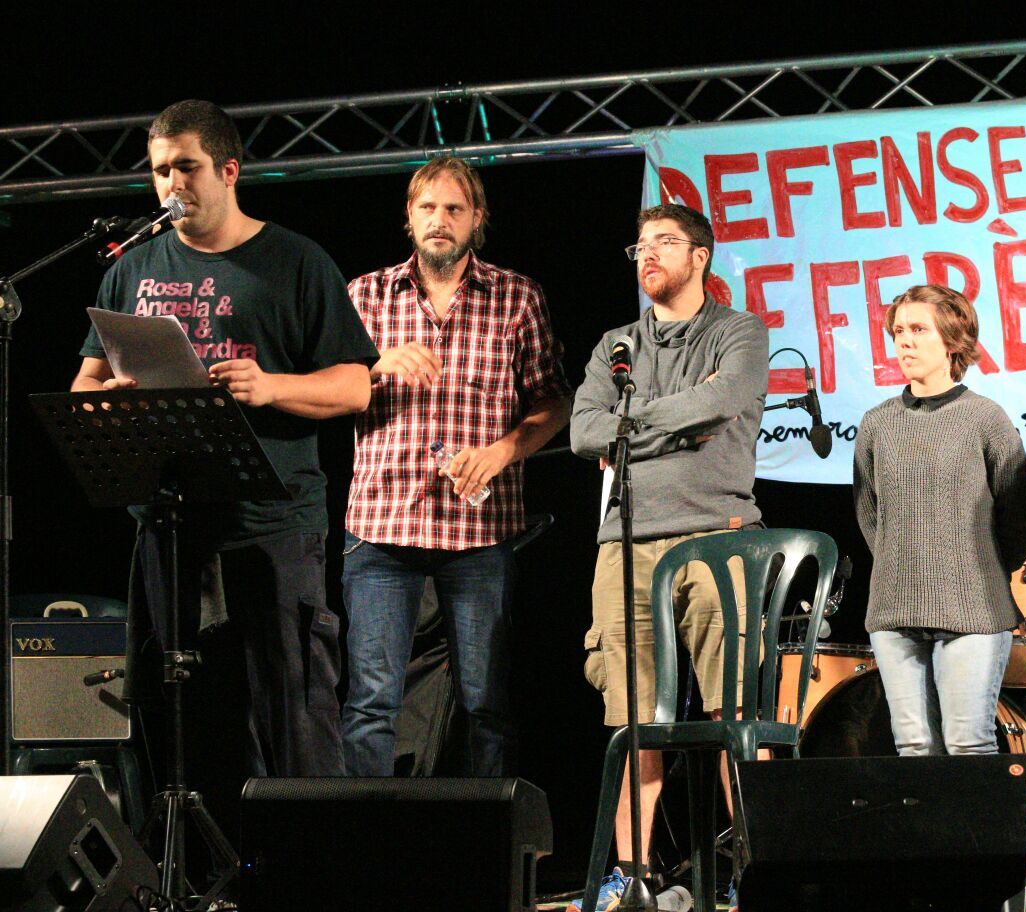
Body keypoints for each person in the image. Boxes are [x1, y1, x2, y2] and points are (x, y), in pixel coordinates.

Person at [71, 99, 378, 778]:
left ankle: (304, 871)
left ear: (230, 169)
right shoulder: (133, 268)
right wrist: (111, 402)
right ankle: (202, 875)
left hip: (271, 525)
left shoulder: (295, 262)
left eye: (186, 167)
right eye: (158, 171)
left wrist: (271, 387)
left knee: (292, 710)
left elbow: (355, 386)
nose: (170, 185)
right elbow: (82, 390)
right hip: (170, 521)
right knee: (181, 711)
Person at [340, 158, 571, 777]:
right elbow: (320, 386)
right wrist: (375, 366)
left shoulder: (517, 297)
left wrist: (503, 451)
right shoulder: (365, 294)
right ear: (408, 217)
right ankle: (362, 850)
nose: (439, 221)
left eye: (453, 209)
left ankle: (486, 854)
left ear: (477, 220)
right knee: (370, 703)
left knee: (486, 704)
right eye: (427, 208)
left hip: (480, 533)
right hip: (382, 526)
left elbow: (554, 400)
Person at [569, 203, 768, 912]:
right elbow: (584, 432)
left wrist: (635, 425)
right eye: (640, 244)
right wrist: (668, 420)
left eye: (663, 243)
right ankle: (630, 877)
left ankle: (760, 867)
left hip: (719, 534)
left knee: (734, 712)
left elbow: (727, 399)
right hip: (625, 546)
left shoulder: (738, 331)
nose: (647, 254)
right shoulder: (616, 344)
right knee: (633, 720)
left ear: (700, 257)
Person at [854, 285, 1026, 764]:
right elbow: (869, 513)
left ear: (953, 341)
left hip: (972, 609)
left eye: (919, 330)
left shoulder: (984, 418)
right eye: (899, 331)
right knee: (914, 747)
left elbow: (1021, 513)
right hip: (894, 608)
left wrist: (978, 569)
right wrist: (904, 565)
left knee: (968, 745)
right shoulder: (877, 424)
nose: (905, 342)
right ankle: (934, 844)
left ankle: (983, 844)